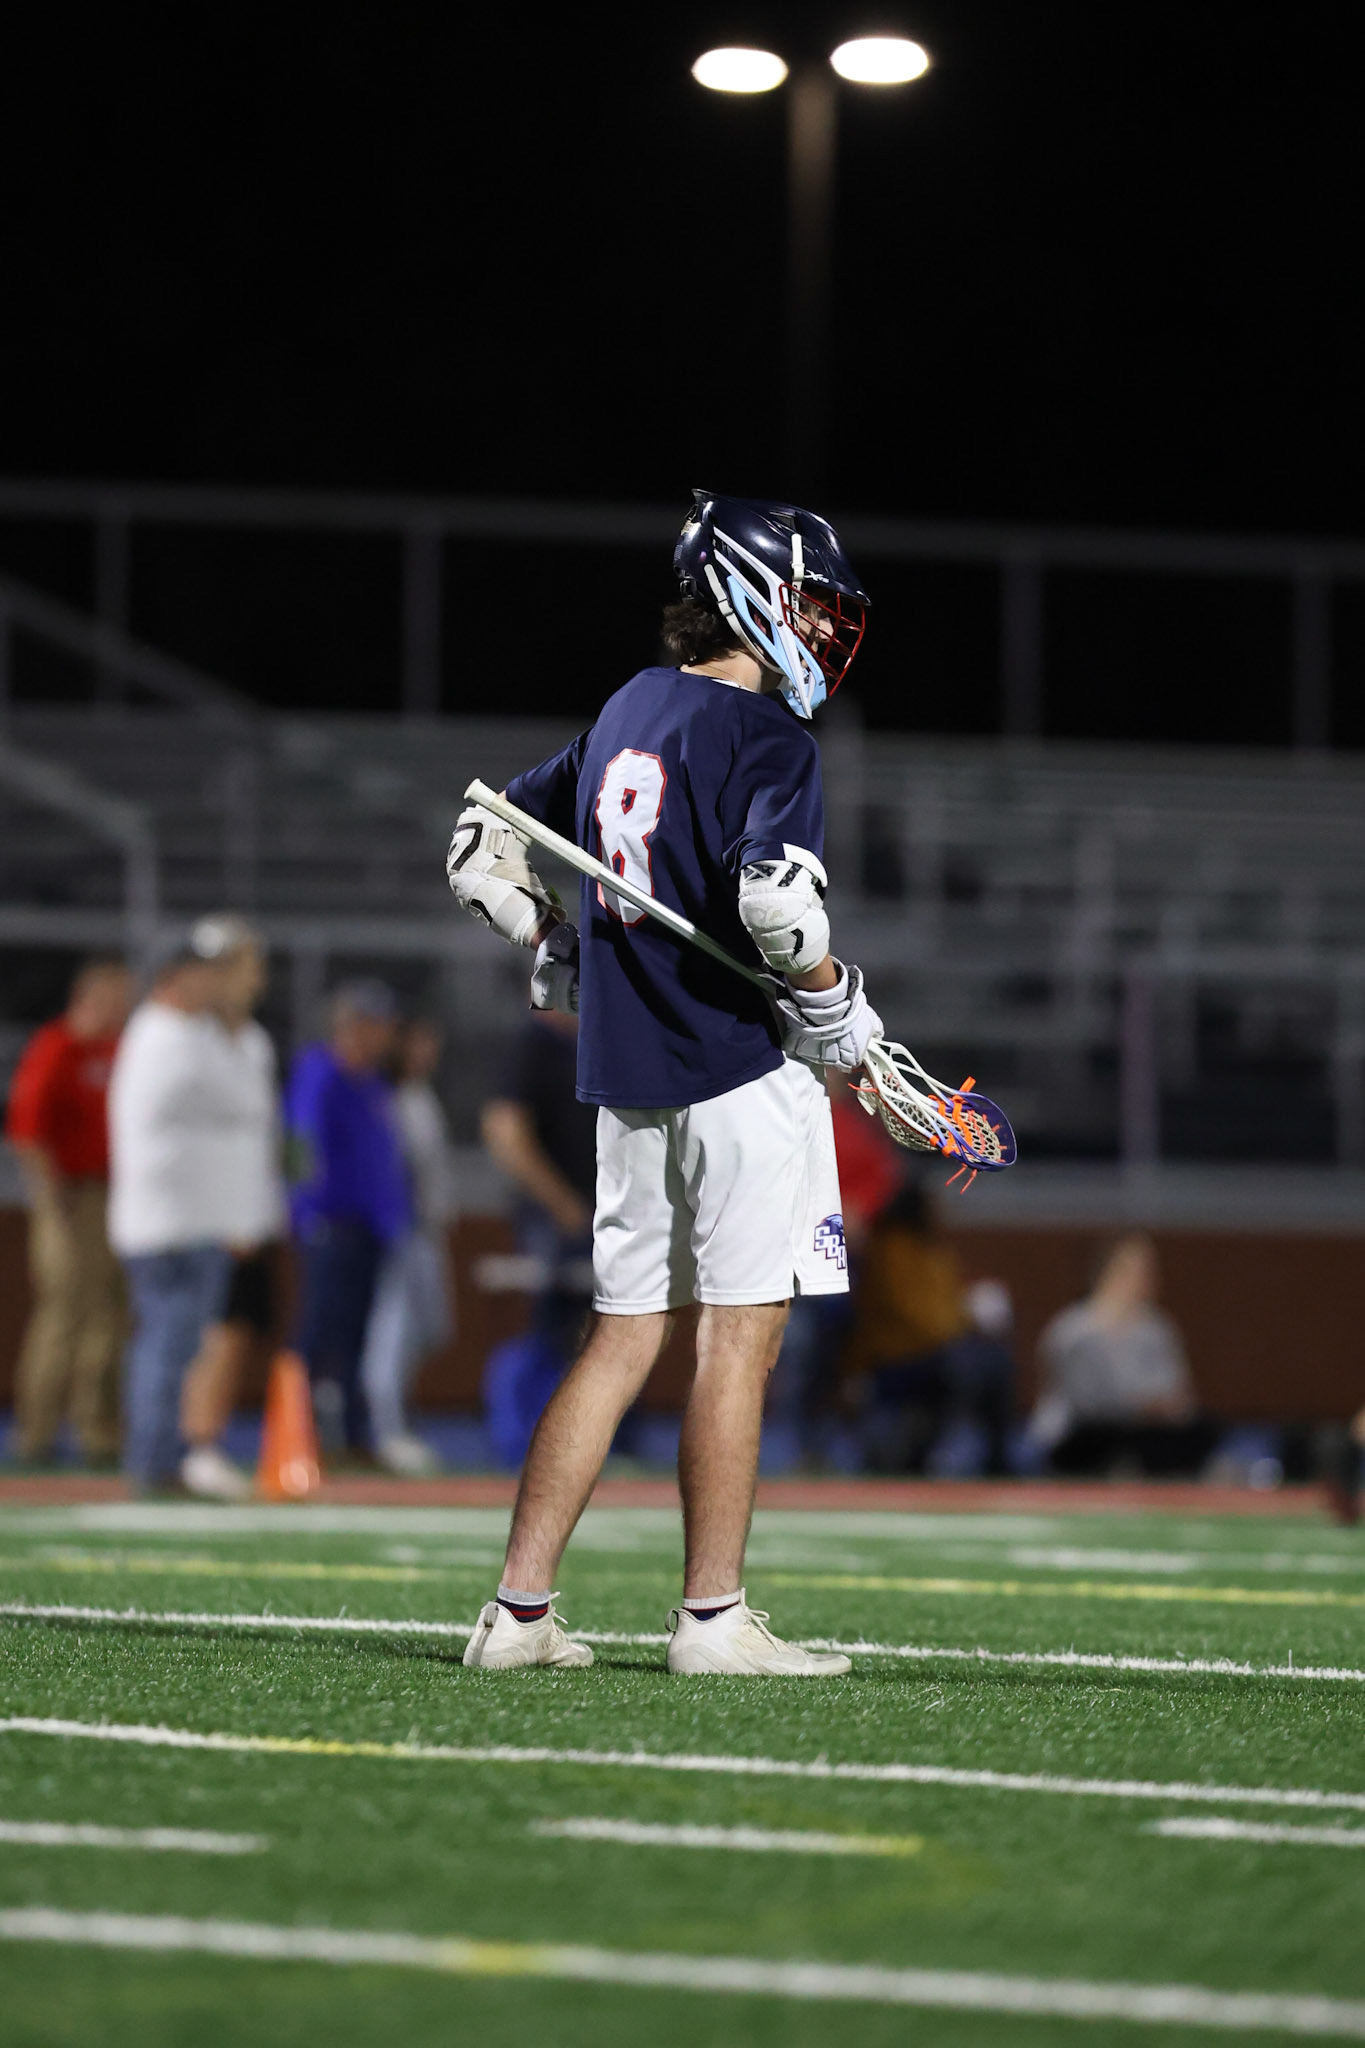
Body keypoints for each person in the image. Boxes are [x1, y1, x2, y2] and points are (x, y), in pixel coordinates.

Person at [447, 488, 882, 1676]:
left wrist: (553, 936)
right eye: (804, 604)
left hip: (629, 1074)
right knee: (739, 1339)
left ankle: (517, 1613)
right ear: (749, 594)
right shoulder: (773, 741)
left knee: (621, 1335)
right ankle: (711, 1618)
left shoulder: (627, 704)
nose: (822, 629)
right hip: (742, 1068)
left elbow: (479, 844)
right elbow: (780, 914)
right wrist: (837, 996)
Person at [108, 921, 279, 1493]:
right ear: (176, 978)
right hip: (170, 1226)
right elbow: (241, 1105)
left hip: (193, 1222)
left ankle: (163, 1457)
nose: (215, 985)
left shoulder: (195, 1034)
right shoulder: (164, 1037)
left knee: (178, 1347)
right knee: (167, 1344)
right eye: (205, 974)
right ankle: (151, 1462)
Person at [4, 957, 132, 1467]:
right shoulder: (57, 1046)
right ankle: (35, 1433)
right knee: (63, 1311)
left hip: (115, 1194)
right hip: (71, 1195)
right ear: (91, 995)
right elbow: (28, 1131)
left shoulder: (120, 1049)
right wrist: (53, 1196)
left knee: (110, 1315)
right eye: (119, 995)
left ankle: (97, 1431)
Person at [176, 918, 285, 1501]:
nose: (241, 980)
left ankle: (202, 1443)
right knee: (208, 1334)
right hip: (205, 1216)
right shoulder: (185, 1036)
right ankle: (194, 1445)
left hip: (245, 1211)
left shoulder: (252, 1042)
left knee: (235, 1330)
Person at [286, 980, 409, 1458]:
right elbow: (300, 1146)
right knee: (318, 1333)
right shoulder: (321, 1072)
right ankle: (300, 1434)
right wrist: (306, 1211)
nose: (384, 1038)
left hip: (368, 1228)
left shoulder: (373, 1083)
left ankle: (355, 1438)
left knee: (357, 1337)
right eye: (376, 1026)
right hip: (330, 1226)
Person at [479, 1011, 599, 1468]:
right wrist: (560, 1202)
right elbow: (504, 1131)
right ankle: (520, 1439)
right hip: (558, 1219)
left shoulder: (593, 1040)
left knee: (601, 1333)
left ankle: (587, 1442)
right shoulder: (534, 1046)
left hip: (599, 1216)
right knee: (548, 1329)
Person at [841, 1178, 1015, 1475]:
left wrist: (968, 1317)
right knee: (963, 1366)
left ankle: (995, 1459)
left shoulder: (935, 1253)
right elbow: (917, 1318)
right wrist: (963, 1321)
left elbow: (947, 1308)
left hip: (935, 1352)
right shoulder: (891, 1252)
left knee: (993, 1360)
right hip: (896, 1358)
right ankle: (921, 1451)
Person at [1029, 1233, 1216, 1476]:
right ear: (1109, 1271)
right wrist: (1142, 1405)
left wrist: (1158, 1408)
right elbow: (1088, 1404)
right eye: (1136, 1271)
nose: (1146, 1279)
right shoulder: (1073, 1331)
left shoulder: (1157, 1330)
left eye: (1149, 1271)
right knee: (1106, 1439)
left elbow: (1179, 1397)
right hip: (1083, 1435)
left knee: (1198, 1432)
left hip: (1141, 1432)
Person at [360, 1018, 457, 1477]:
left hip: (427, 1230)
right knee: (393, 1333)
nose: (427, 1053)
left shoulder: (420, 1094)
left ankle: (394, 1419)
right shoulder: (386, 1095)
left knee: (432, 1328)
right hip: (402, 1231)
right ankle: (386, 1429)